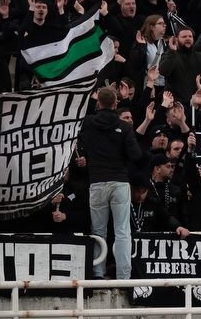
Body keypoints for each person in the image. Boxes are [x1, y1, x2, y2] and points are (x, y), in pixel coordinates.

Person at [79, 87, 142, 280]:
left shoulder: (88, 123)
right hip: (119, 181)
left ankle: (98, 273)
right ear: (116, 105)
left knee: (98, 230)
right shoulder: (123, 127)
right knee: (122, 230)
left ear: (98, 104)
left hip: (97, 181)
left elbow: (82, 118)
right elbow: (136, 155)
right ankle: (124, 276)